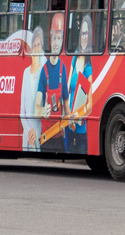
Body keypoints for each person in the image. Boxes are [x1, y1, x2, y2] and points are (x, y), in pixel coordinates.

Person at [37, 13, 68, 151]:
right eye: (54, 38)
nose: (56, 43)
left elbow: (66, 106)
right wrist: (43, 110)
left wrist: (71, 121)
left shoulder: (63, 69)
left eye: (59, 38)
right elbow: (36, 107)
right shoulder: (44, 71)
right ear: (50, 39)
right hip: (46, 137)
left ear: (62, 41)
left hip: (60, 136)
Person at [64, 15, 93, 154]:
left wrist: (77, 114)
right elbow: (67, 89)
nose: (83, 37)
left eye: (86, 34)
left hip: (80, 129)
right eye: (82, 33)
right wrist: (68, 114)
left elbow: (90, 105)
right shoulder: (75, 57)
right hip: (68, 126)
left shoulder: (88, 68)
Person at [19, 27, 45, 151]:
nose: (36, 48)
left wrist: (35, 131)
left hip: (38, 132)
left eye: (39, 45)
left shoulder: (44, 72)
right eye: (34, 45)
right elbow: (22, 110)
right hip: (27, 133)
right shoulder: (25, 73)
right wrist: (29, 131)